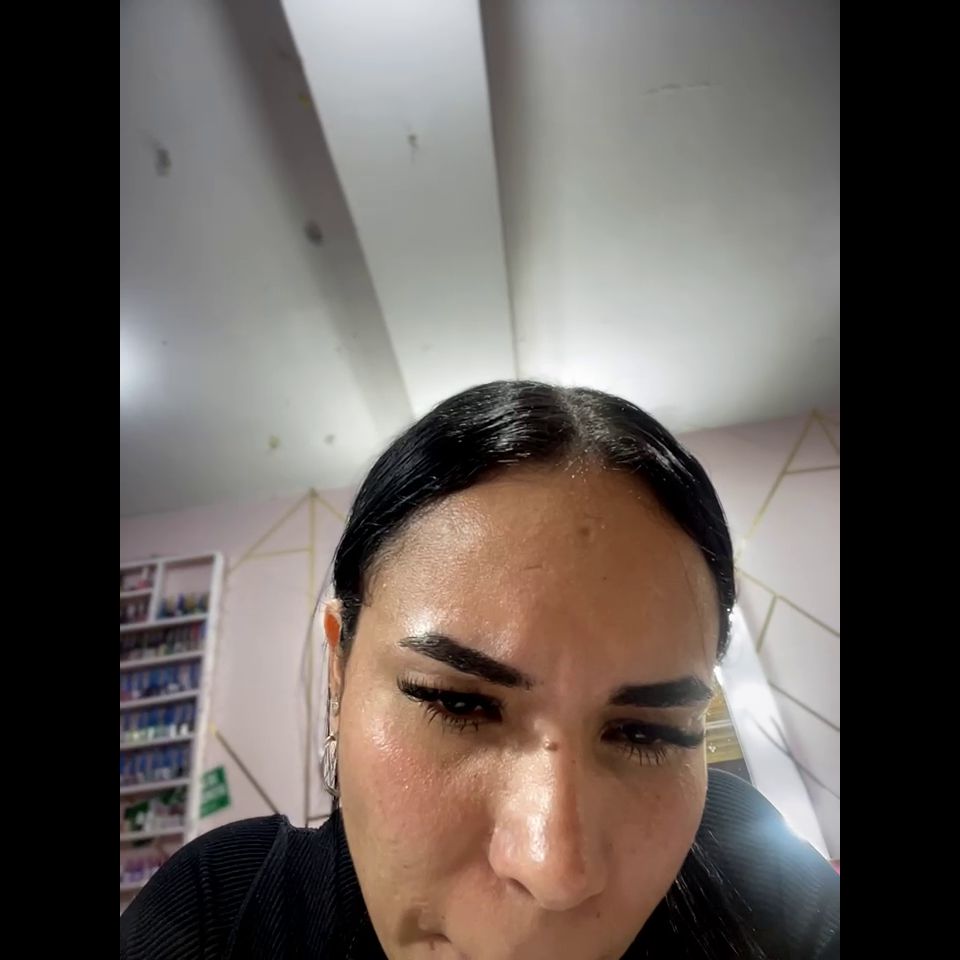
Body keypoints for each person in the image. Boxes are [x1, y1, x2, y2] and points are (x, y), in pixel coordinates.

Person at [121, 380, 840, 959]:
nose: (553, 870)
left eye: (645, 731)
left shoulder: (749, 868)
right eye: (457, 703)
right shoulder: (224, 912)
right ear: (338, 671)